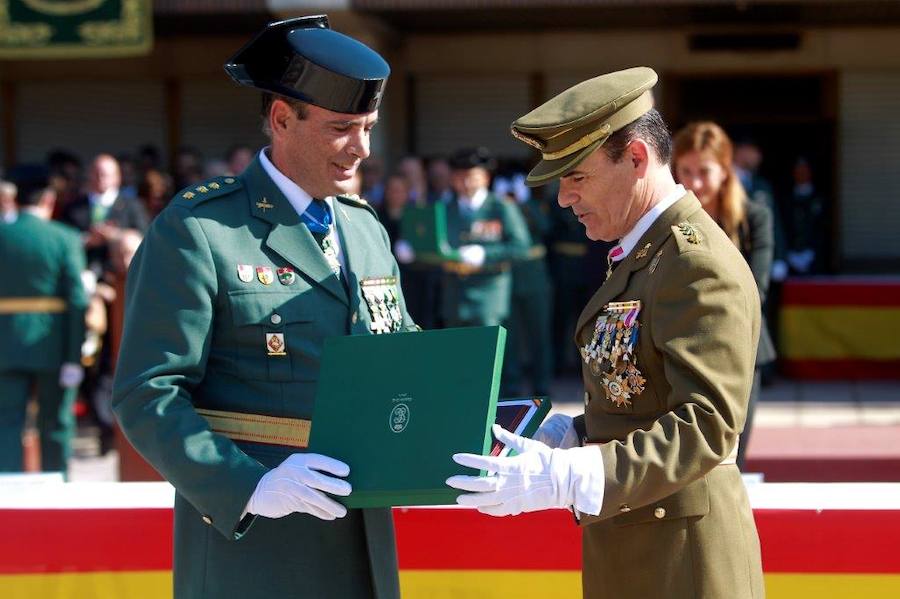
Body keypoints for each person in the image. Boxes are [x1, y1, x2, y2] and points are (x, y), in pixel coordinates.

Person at [112, 16, 416, 599]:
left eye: (369, 128)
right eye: (342, 129)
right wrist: (247, 487)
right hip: (255, 543)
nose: (363, 149)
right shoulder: (202, 229)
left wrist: (483, 416)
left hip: (363, 532)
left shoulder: (363, 227)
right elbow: (146, 391)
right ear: (282, 119)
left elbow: (398, 348)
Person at [447, 67, 764, 599]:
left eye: (577, 176)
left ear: (636, 158)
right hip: (634, 543)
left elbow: (708, 425)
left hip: (685, 562)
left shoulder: (693, 262)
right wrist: (573, 434)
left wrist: (570, 474)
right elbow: (643, 395)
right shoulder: (644, 254)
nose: (564, 198)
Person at [673, 121, 776, 470]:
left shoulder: (754, 219)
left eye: (704, 171)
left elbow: (756, 290)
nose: (694, 182)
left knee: (732, 459)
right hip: (677, 350)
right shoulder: (663, 223)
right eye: (684, 171)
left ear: (726, 169)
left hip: (740, 348)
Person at [0, 173, 87, 473]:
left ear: (14, 199)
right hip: (53, 344)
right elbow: (77, 300)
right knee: (55, 423)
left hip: (5, 344)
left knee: (5, 423)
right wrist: (74, 355)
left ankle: (5, 497)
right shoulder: (64, 237)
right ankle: (56, 489)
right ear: (48, 199)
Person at [440, 147, 531, 328]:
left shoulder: (501, 206)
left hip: (489, 292)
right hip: (455, 293)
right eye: (460, 176)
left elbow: (521, 247)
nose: (466, 182)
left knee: (488, 351)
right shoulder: (444, 208)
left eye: (472, 176)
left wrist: (485, 254)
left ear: (486, 178)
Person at [60, 153, 150, 277]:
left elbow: (145, 235)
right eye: (96, 174)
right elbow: (63, 238)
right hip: (85, 271)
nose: (100, 179)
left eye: (105, 175)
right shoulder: (73, 206)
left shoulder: (133, 205)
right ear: (89, 175)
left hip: (123, 275)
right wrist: (87, 240)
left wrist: (116, 236)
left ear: (117, 178)